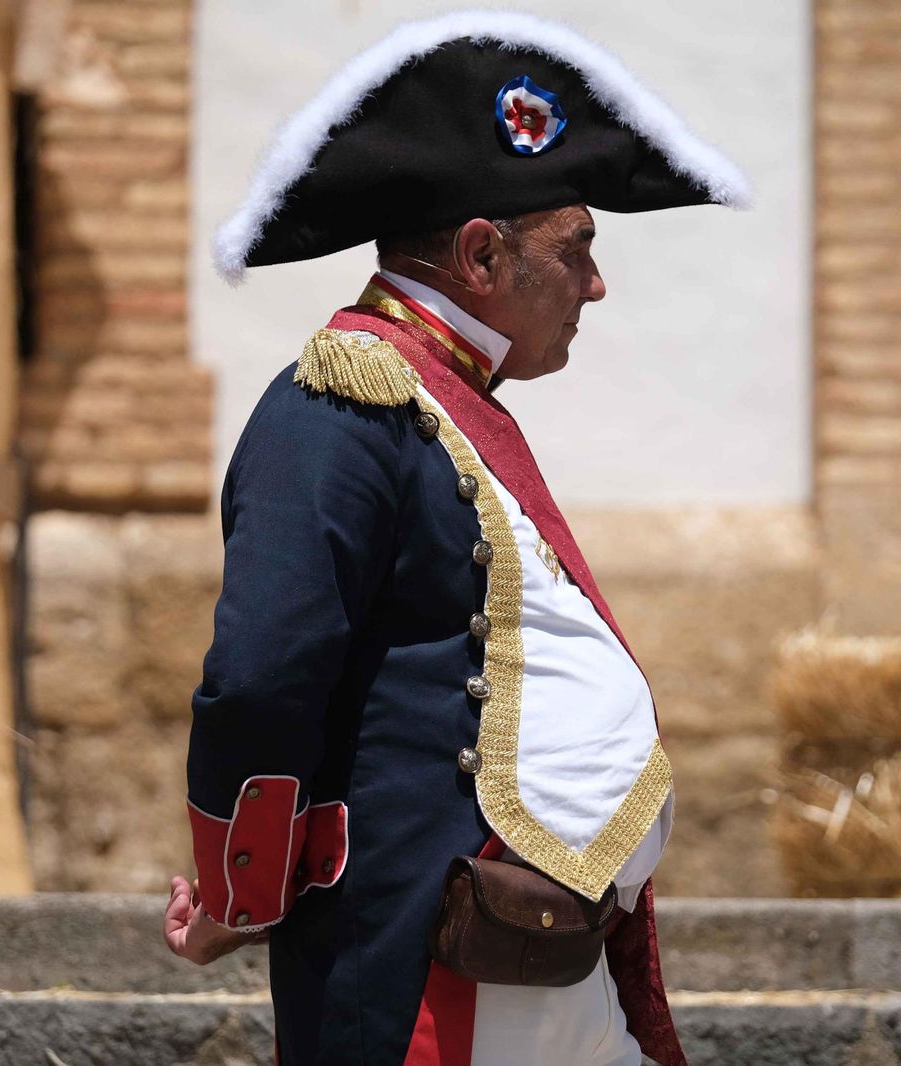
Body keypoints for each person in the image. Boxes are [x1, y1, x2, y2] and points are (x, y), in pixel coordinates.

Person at [162, 13, 748, 1065]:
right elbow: (261, 673)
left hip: (535, 949)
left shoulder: (445, 397)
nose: (597, 285)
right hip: (431, 962)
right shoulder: (335, 403)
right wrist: (236, 889)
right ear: (482, 254)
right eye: (578, 250)